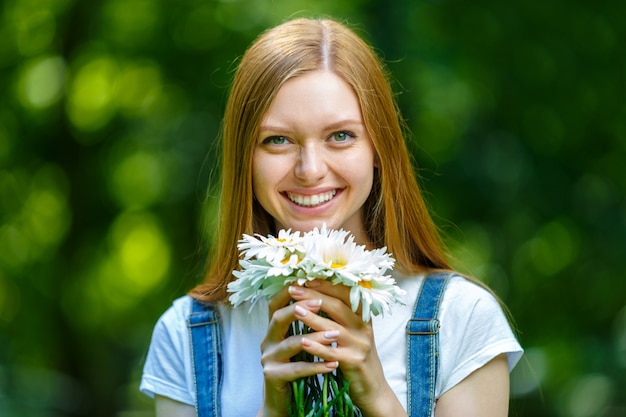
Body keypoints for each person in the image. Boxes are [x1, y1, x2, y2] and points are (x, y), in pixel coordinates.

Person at [139, 17, 523, 417]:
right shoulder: (186, 336)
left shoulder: (460, 320)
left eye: (340, 136)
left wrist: (378, 395)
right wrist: (272, 409)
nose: (310, 169)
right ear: (244, 160)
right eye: (278, 140)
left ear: (379, 148)